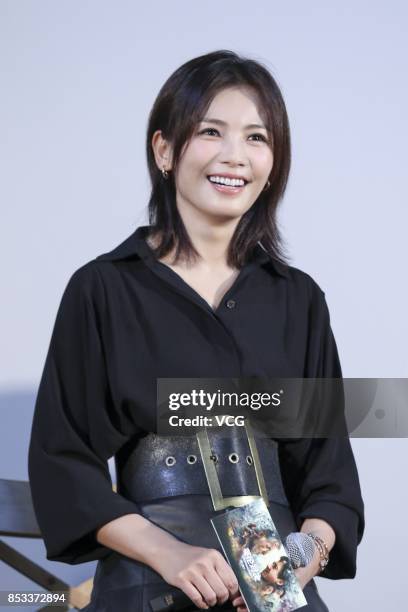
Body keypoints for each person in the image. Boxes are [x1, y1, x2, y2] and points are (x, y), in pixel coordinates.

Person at [28, 50, 365, 612]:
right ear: (164, 149)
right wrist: (168, 553)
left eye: (257, 138)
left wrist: (291, 564)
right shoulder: (103, 289)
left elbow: (331, 482)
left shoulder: (298, 299)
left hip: (273, 582)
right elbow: (63, 463)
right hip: (149, 573)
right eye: (212, 131)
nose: (236, 156)